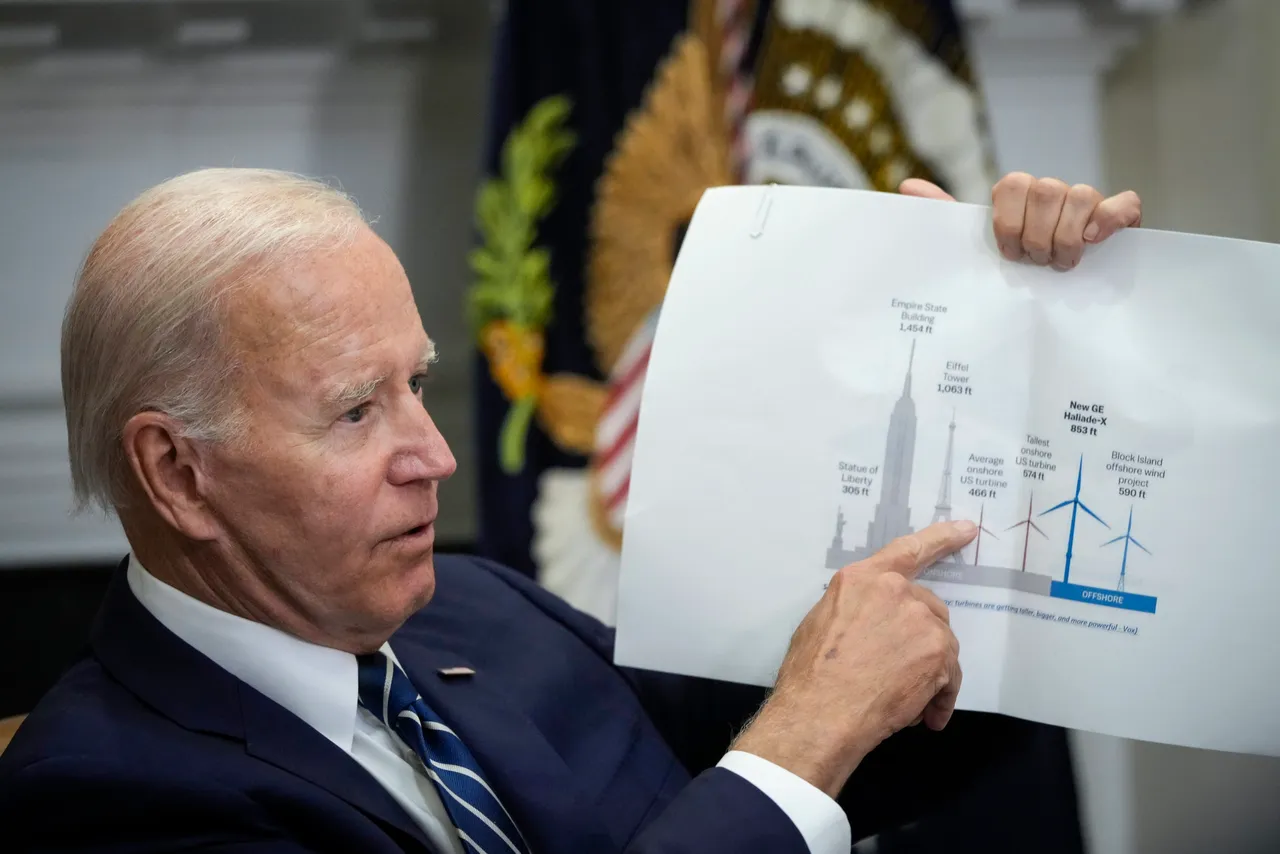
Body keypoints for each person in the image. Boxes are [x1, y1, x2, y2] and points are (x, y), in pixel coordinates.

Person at [0, 169, 1141, 853]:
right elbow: (790, 756)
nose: (436, 454)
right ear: (178, 472)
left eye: (415, 381)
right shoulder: (102, 794)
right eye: (356, 411)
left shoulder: (476, 611)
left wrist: (1002, 347)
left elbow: (877, 744)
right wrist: (800, 735)